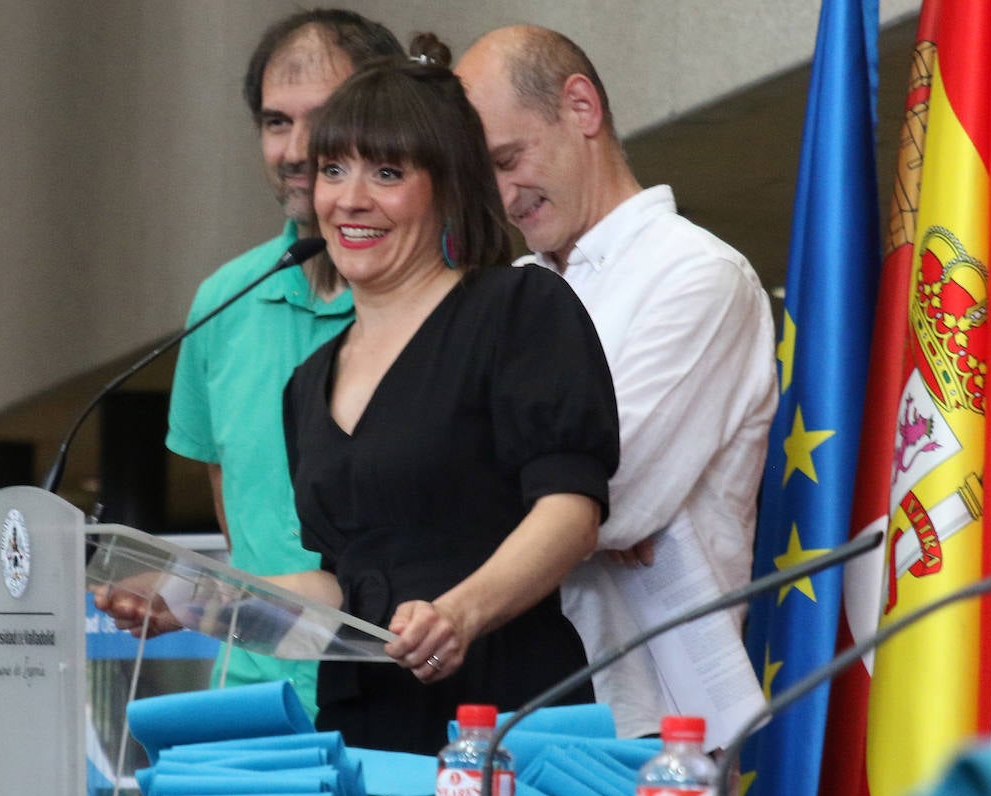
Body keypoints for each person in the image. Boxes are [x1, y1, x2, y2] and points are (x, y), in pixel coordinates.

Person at [279, 35, 621, 755]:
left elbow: (571, 510)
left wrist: (458, 613)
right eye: (332, 169)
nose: (350, 198)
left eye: (387, 171)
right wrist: (191, 599)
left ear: (447, 186)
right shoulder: (306, 384)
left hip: (502, 718)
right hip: (361, 736)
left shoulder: (517, 309)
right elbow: (348, 584)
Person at [455, 26, 777, 739]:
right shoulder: (514, 290)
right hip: (516, 697)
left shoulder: (696, 274)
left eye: (511, 159)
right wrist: (560, 501)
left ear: (581, 107)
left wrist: (573, 506)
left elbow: (611, 495)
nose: (504, 198)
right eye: (486, 177)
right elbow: (550, 495)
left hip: (653, 722)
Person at [155, 10, 404, 719]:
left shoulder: (442, 303)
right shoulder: (220, 302)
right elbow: (238, 521)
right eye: (274, 122)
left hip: (398, 706)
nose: (296, 150)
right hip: (252, 705)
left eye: (322, 119)